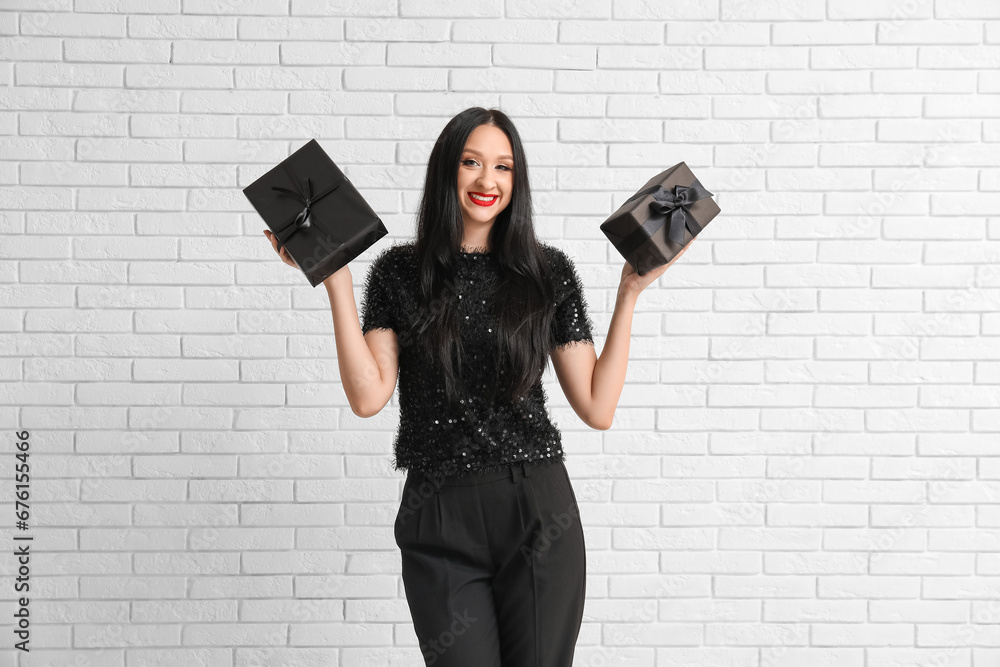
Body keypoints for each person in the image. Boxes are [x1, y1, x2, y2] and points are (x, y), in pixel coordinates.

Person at [264, 107, 693, 666]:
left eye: (503, 167)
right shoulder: (399, 273)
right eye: (471, 162)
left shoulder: (547, 272)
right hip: (438, 513)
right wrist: (335, 278)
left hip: (537, 510)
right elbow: (369, 397)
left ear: (518, 180)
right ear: (448, 171)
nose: (487, 181)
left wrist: (630, 293)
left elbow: (597, 405)